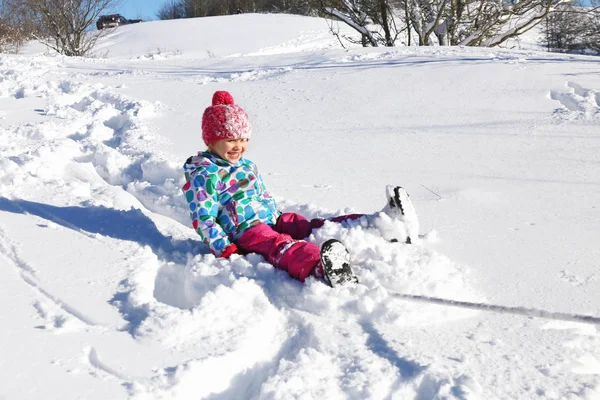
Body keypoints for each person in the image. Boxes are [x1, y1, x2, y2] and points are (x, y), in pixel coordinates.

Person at [182, 90, 418, 286]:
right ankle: (321, 266)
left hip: (271, 218)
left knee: (312, 226)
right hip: (246, 231)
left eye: (244, 140)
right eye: (231, 140)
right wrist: (225, 248)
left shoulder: (246, 166)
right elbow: (204, 219)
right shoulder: (203, 175)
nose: (239, 146)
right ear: (211, 140)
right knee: (281, 245)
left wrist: (275, 216)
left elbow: (262, 194)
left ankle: (382, 225)